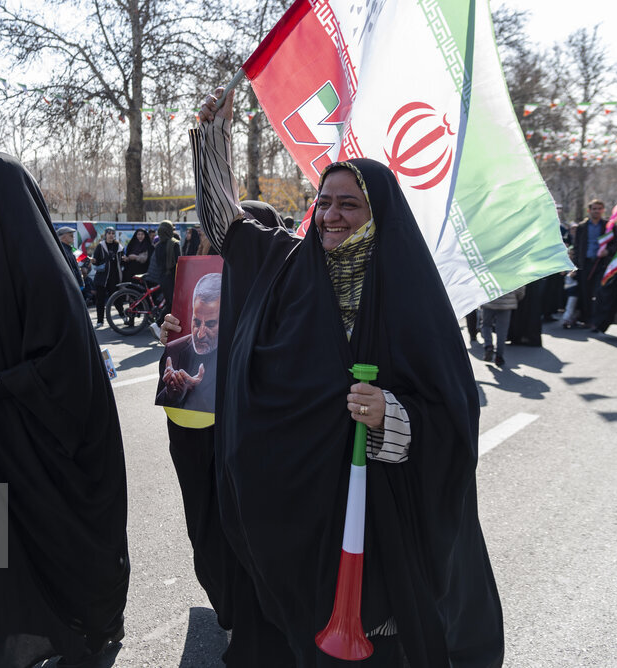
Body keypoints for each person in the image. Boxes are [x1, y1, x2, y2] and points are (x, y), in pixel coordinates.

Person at [190, 88, 503, 667]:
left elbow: (454, 409)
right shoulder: (288, 265)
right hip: (298, 507)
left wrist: (392, 416)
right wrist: (214, 139)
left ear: (378, 213)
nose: (330, 215)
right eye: (324, 201)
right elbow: (225, 224)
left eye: (348, 205)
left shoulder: (411, 292)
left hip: (379, 511)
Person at [0, 153, 129, 667]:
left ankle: (77, 633)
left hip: (27, 446)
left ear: (5, 197)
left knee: (46, 553)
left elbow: (63, 364)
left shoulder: (36, 265)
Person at [158, 200, 295, 667]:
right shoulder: (198, 282)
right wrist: (170, 334)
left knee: (240, 532)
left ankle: (251, 621)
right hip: (190, 428)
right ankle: (229, 605)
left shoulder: (280, 285)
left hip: (242, 434)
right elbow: (180, 356)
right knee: (205, 528)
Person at [157, 272, 221, 413]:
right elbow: (163, 396)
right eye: (196, 322)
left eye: (210, 324)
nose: (200, 334)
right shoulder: (175, 348)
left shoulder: (242, 348)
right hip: (184, 427)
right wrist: (172, 394)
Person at [572, 199, 617, 327]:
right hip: (585, 263)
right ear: (589, 210)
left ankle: (597, 320)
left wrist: (607, 251)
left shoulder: (609, 226)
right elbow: (576, 247)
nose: (597, 211)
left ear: (603, 210)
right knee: (585, 293)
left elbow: (616, 245)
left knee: (599, 292)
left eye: (599, 209)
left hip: (602, 264)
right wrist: (575, 265)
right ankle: (586, 318)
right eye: (594, 209)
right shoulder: (582, 227)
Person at [481, 285, 526, 366]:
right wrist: (515, 297)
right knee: (502, 331)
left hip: (489, 299)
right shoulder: (513, 271)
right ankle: (499, 356)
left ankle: (488, 346)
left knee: (486, 325)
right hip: (506, 302)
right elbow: (520, 286)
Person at [144, 220, 180, 318]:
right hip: (172, 279)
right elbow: (179, 263)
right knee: (172, 305)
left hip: (162, 279)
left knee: (169, 303)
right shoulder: (175, 244)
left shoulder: (158, 246)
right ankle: (158, 324)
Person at [91, 226, 123, 325]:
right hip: (102, 278)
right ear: (105, 235)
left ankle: (123, 315)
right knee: (100, 300)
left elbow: (121, 260)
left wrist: (125, 259)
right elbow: (95, 261)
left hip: (115, 278)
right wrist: (94, 261)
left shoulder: (118, 246)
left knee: (117, 299)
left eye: (113, 233)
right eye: (109, 233)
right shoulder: (100, 246)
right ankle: (100, 320)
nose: (111, 235)